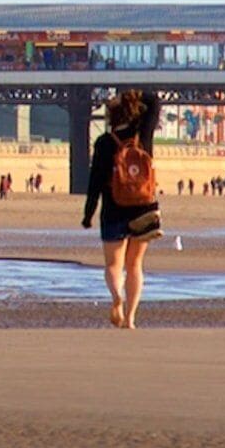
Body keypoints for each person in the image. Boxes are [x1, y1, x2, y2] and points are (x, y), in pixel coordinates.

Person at [80, 88, 163, 330]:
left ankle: (117, 297)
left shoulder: (104, 143)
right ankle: (130, 318)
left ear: (111, 118)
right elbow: (154, 101)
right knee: (135, 265)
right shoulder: (142, 136)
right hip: (144, 208)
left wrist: (88, 214)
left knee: (113, 265)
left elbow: (94, 182)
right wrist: (131, 93)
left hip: (113, 209)